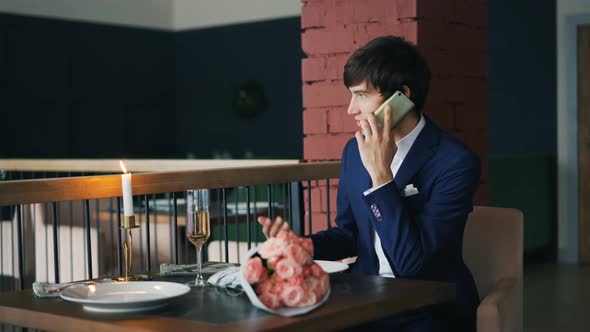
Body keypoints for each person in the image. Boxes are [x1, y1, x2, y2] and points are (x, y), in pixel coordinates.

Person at [258, 35, 480, 332]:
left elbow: (413, 266)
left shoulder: (455, 162)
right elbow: (349, 233)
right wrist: (302, 245)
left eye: (361, 95)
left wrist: (381, 177)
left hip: (429, 308)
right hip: (364, 300)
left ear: (401, 97)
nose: (351, 109)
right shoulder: (354, 150)